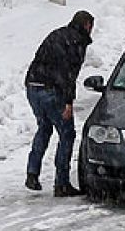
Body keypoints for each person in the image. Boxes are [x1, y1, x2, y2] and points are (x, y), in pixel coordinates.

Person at [24, 10, 94, 196]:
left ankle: (32, 172)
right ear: (87, 25)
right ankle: (62, 183)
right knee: (67, 133)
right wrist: (68, 102)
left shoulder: (57, 34)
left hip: (32, 86)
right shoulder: (76, 42)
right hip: (51, 89)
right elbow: (68, 73)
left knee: (44, 127)